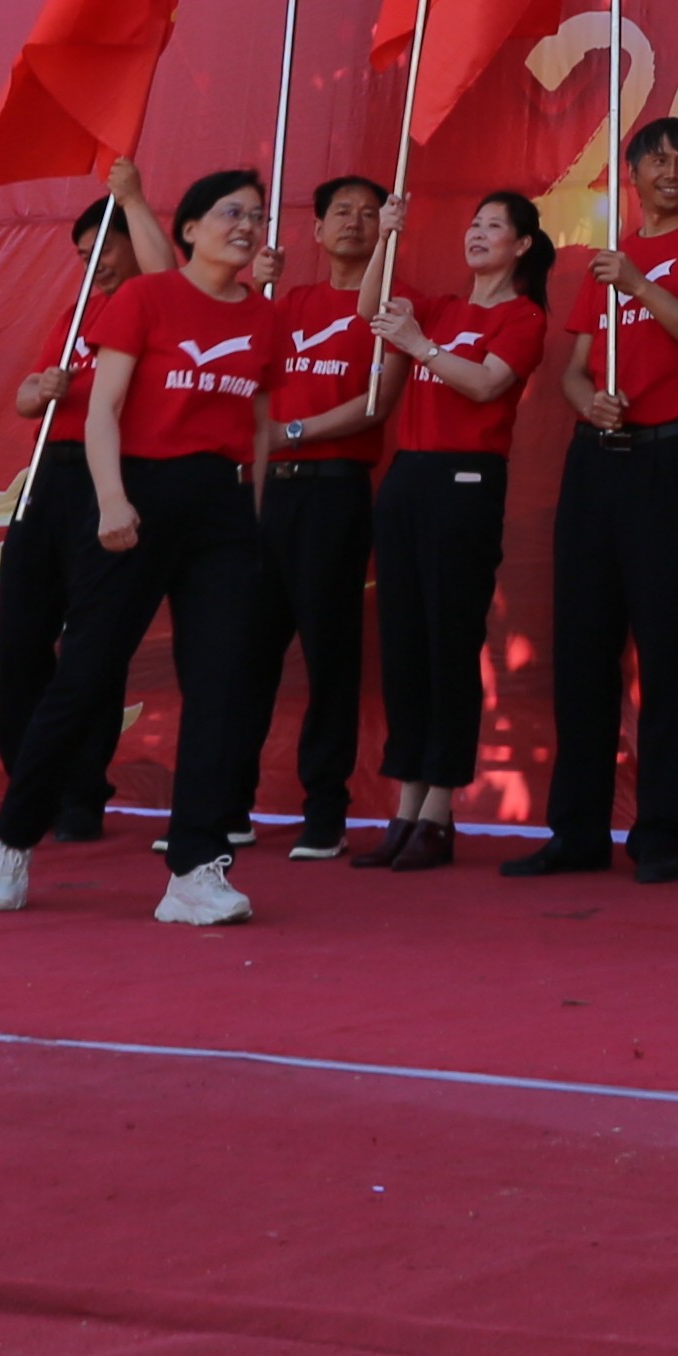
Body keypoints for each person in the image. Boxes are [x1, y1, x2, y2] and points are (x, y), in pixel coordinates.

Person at [0, 160, 283, 925]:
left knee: (221, 685)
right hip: (133, 496)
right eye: (230, 215)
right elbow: (105, 410)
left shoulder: (263, 317)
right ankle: (15, 839)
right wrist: (113, 503)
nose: (246, 227)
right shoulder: (147, 297)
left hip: (219, 512)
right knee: (85, 676)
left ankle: (196, 870)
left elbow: (258, 427)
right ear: (187, 230)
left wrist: (254, 513)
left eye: (256, 215)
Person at [522, 116, 678, 881]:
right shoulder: (603, 264)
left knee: (666, 651)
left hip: (667, 463)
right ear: (634, 174)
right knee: (582, 650)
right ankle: (577, 833)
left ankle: (658, 835)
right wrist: (589, 404)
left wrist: (643, 283)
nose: (671, 171)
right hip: (597, 464)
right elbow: (575, 371)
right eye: (657, 160)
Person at [367, 184, 551, 869]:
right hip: (408, 479)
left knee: (449, 640)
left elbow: (483, 385)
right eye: (472, 222)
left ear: (522, 244)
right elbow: (370, 307)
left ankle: (440, 810)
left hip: (466, 483)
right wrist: (387, 235)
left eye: (493, 225)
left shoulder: (522, 317)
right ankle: (406, 801)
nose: (477, 233)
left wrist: (419, 346)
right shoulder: (440, 307)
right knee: (405, 644)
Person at [0, 182, 169, 844]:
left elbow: (165, 273)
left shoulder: (159, 309)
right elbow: (26, 400)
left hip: (112, 477)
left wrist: (135, 199)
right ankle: (25, 790)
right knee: (23, 635)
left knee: (94, 644)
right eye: (85, 253)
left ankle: (82, 793)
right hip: (49, 478)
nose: (98, 263)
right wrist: (40, 388)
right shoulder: (76, 314)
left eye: (106, 248)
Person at [259, 170, 395, 865]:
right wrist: (254, 289)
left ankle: (325, 810)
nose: (354, 222)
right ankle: (220, 804)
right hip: (265, 495)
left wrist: (292, 433)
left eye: (370, 214)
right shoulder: (286, 302)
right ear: (314, 229)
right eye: (340, 211)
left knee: (329, 654)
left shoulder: (386, 310)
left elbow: (375, 403)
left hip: (334, 491)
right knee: (241, 653)